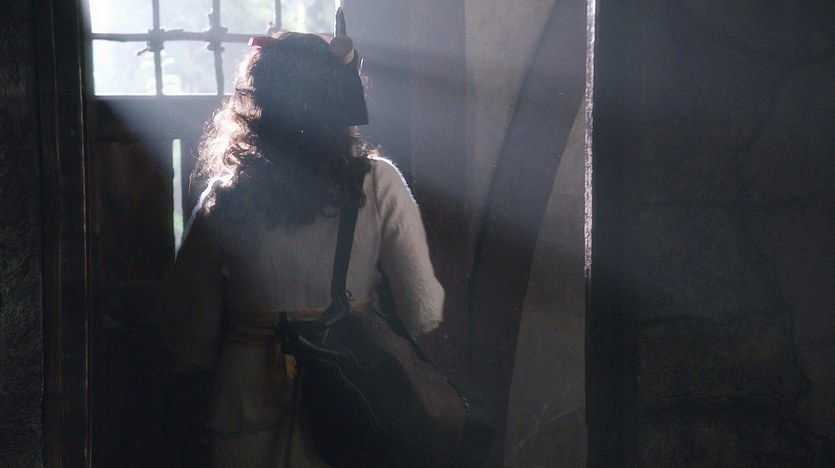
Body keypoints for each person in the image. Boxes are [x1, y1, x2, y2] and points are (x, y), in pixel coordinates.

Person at [158, 31, 444, 467]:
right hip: (352, 399)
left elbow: (187, 332)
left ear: (257, 102)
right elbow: (423, 313)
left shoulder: (225, 196)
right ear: (339, 100)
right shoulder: (378, 183)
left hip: (246, 406)